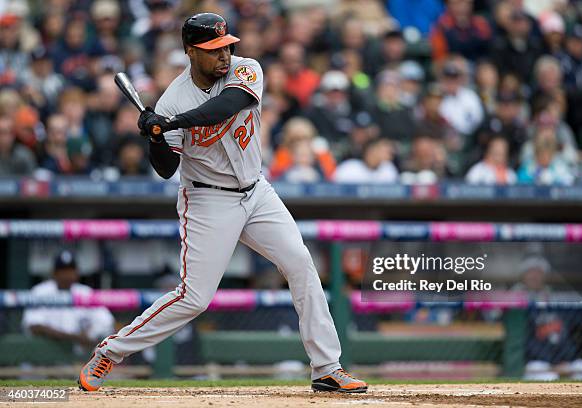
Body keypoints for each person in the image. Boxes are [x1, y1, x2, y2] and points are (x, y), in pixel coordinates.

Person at [78, 13, 367, 394]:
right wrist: (155, 136)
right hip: (208, 199)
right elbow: (166, 169)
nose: (224, 56)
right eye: (213, 50)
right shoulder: (173, 99)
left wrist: (169, 122)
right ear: (190, 51)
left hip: (256, 190)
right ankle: (110, 352)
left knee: (301, 265)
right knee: (194, 298)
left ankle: (327, 367)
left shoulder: (245, 70)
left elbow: (227, 106)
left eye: (226, 46)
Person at [22, 250, 115, 355]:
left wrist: (90, 333)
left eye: (71, 270)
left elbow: (106, 321)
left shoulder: (85, 292)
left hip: (77, 357)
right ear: (54, 273)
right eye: (63, 270)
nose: (67, 275)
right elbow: (34, 326)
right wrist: (75, 337)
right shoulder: (40, 292)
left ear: (77, 272)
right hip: (44, 356)